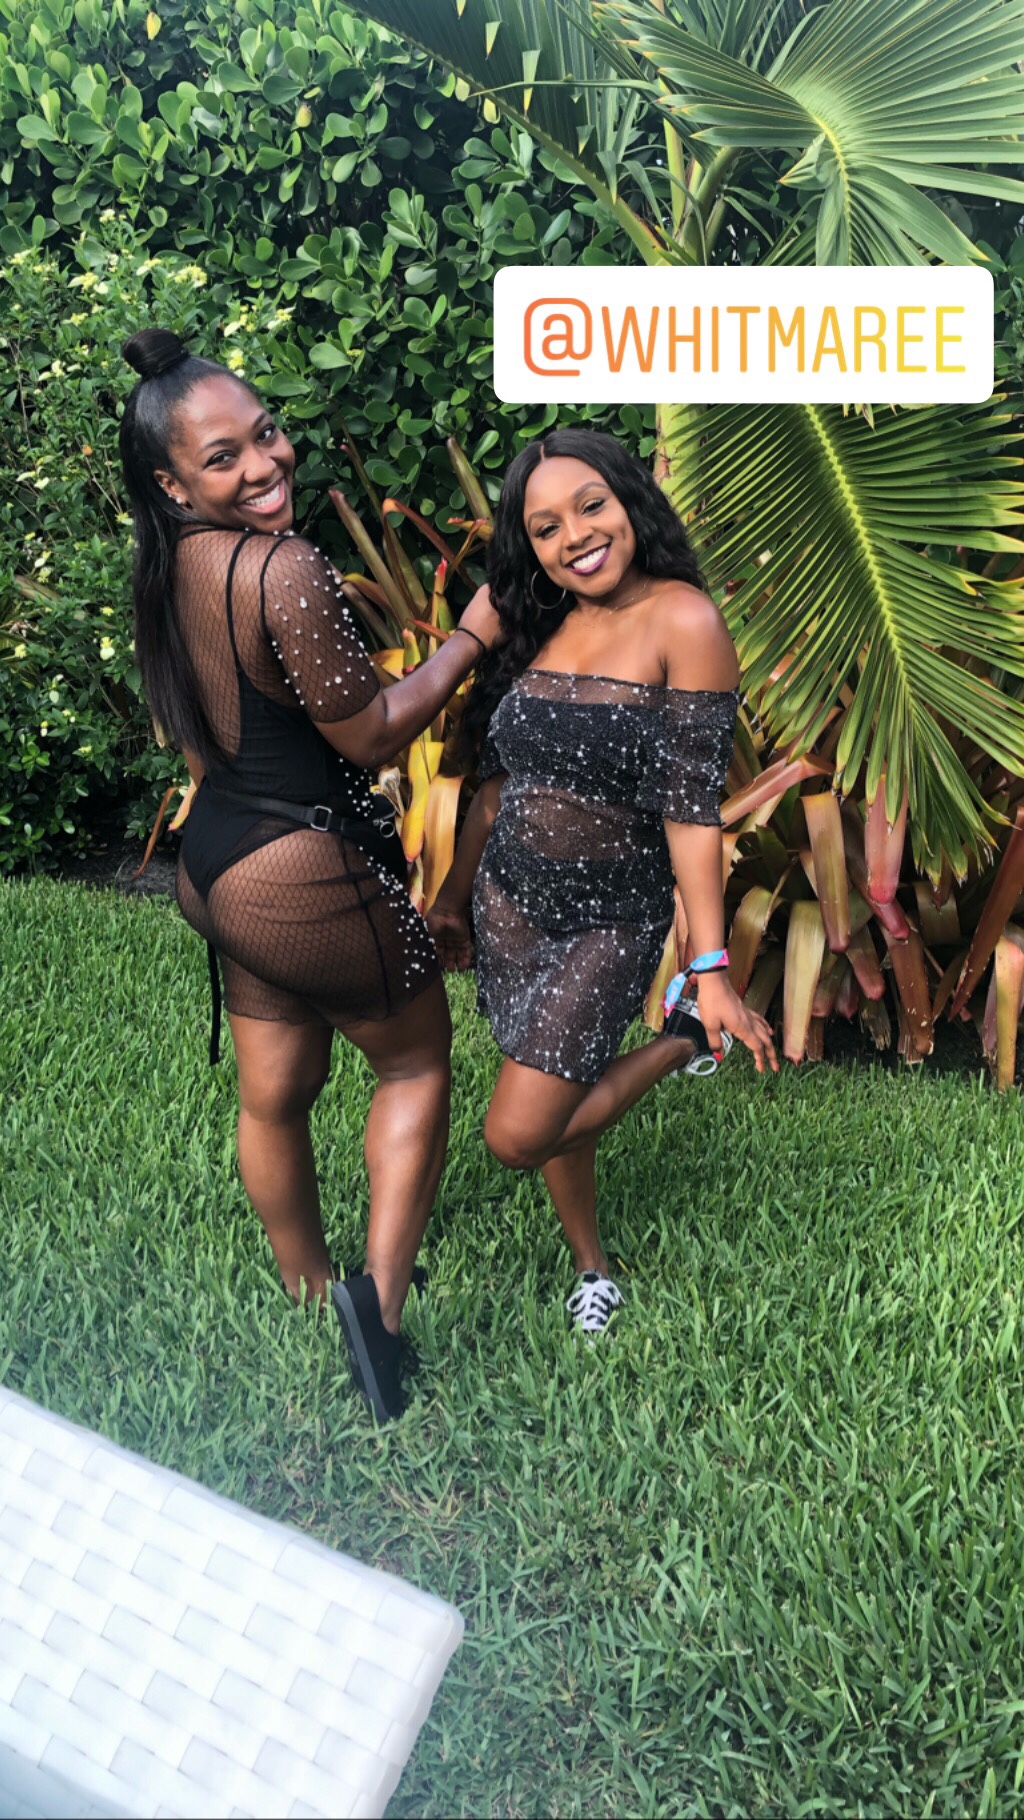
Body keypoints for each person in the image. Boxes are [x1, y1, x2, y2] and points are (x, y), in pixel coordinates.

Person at [118, 327, 499, 1420]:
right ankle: (377, 1315)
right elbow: (371, 733)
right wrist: (469, 638)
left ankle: (307, 1282)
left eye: (267, 433)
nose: (264, 464)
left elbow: (212, 737)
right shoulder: (279, 568)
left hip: (219, 861)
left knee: (275, 1093)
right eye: (223, 457)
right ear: (172, 481)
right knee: (414, 1064)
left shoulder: (168, 564)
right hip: (299, 871)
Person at [427, 429, 778, 1335]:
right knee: (558, 1078)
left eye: (591, 506)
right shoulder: (536, 615)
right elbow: (500, 782)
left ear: (630, 502)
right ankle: (593, 1265)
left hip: (609, 920)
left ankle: (683, 1037)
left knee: (518, 1131)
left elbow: (692, 811)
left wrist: (709, 965)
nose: (574, 536)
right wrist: (454, 897)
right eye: (545, 527)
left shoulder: (682, 621)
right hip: (512, 907)